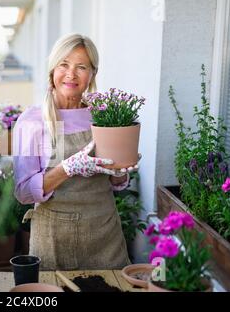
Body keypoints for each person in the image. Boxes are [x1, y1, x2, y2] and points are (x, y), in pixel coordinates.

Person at [12, 33, 139, 271]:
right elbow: (23, 193)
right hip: (54, 239)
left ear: (92, 74)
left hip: (105, 234)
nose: (71, 74)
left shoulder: (103, 116)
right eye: (64, 64)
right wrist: (67, 169)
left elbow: (114, 181)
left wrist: (121, 172)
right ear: (52, 70)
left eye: (81, 67)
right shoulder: (32, 121)